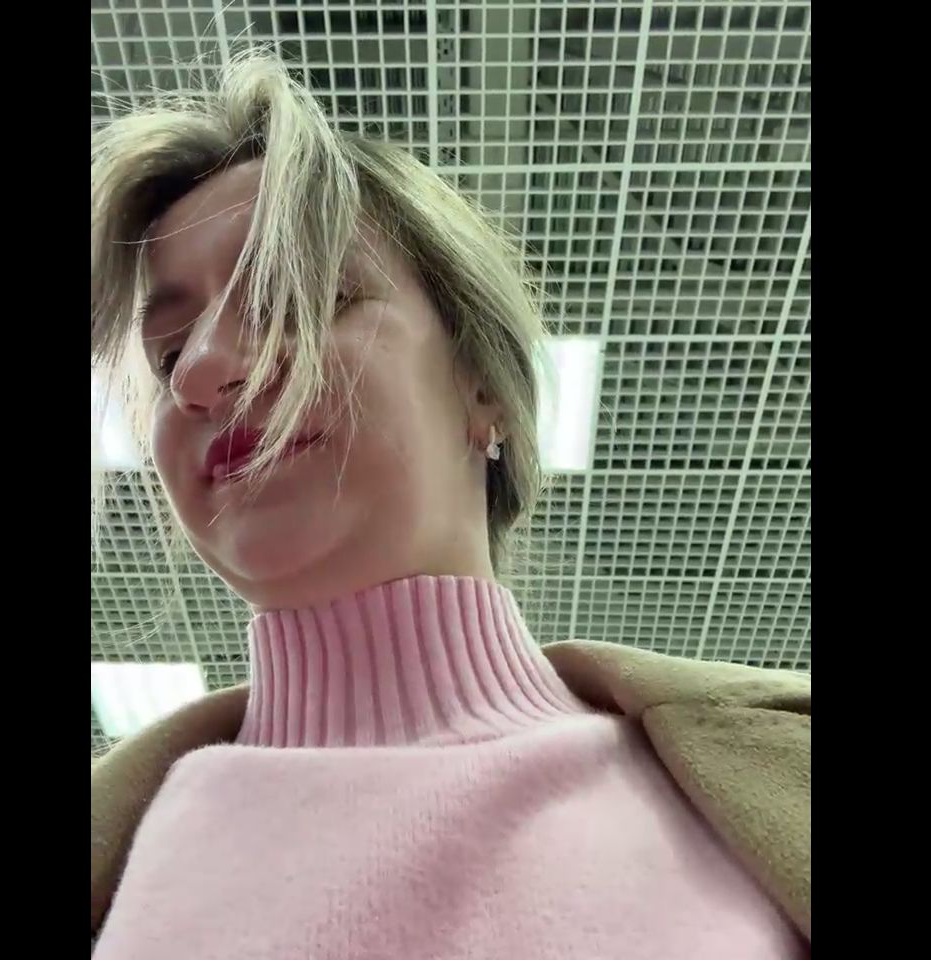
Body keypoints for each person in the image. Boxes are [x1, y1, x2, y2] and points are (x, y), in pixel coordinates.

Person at [91, 53, 810, 958]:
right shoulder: (131, 849)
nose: (199, 371)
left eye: (299, 297)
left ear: (485, 390)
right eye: (166, 353)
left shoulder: (770, 786)